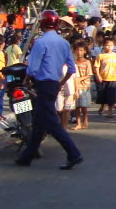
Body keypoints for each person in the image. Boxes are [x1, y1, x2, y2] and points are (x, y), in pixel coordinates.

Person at [15, 10, 84, 169]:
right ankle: (27, 156)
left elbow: (32, 68)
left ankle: (73, 153)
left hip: (43, 84)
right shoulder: (64, 43)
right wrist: (61, 83)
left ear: (43, 23)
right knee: (39, 123)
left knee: (51, 122)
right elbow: (72, 69)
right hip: (54, 83)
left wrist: (26, 81)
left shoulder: (40, 42)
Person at [93, 37, 116, 119]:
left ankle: (110, 112)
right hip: (103, 78)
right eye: (107, 45)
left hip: (112, 79)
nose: (109, 47)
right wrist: (97, 76)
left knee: (111, 96)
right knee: (102, 94)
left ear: (113, 46)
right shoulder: (100, 56)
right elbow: (96, 67)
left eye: (111, 45)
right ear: (103, 46)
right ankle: (102, 106)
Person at [72, 42, 93, 130]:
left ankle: (85, 120)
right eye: (77, 50)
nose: (79, 52)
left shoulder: (87, 62)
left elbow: (89, 74)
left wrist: (79, 79)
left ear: (85, 51)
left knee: (84, 106)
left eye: (81, 50)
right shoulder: (74, 62)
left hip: (84, 86)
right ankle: (78, 123)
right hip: (75, 86)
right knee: (76, 106)